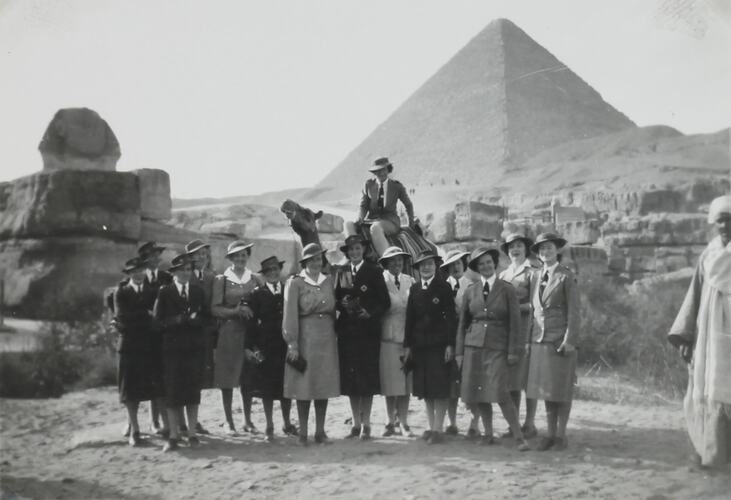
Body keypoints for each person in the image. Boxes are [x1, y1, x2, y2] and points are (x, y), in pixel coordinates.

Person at [668, 195, 731, 468]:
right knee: (706, 389)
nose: (726, 226)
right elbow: (694, 294)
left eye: (730, 220)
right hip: (708, 332)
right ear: (713, 224)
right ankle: (711, 454)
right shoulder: (710, 253)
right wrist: (686, 335)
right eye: (721, 221)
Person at [456, 248, 530, 451]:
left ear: (495, 264)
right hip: (474, 347)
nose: (486, 266)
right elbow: (463, 323)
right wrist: (459, 352)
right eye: (481, 264)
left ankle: (518, 436)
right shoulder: (471, 290)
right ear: (477, 268)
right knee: (479, 392)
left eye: (489, 262)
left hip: (498, 346)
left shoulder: (507, 289)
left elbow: (515, 322)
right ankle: (488, 433)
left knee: (500, 392)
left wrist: (513, 350)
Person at [526, 233, 580, 452]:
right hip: (540, 340)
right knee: (547, 391)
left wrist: (570, 341)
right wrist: (529, 339)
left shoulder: (566, 276)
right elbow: (533, 311)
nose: (545, 253)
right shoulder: (535, 276)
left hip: (560, 341)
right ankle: (549, 433)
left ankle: (561, 435)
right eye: (541, 250)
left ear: (556, 250)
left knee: (562, 389)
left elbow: (575, 312)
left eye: (548, 248)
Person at [283, 243, 340, 445]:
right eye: (312, 259)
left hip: (326, 338)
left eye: (319, 259)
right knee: (304, 385)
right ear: (305, 262)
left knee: (323, 384)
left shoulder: (329, 281)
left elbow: (336, 309)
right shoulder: (296, 283)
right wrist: (292, 343)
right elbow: (290, 314)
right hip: (305, 337)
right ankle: (303, 433)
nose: (316, 262)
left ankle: (320, 431)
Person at [335, 235, 390, 440]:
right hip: (348, 333)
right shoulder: (341, 271)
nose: (354, 252)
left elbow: (384, 302)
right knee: (351, 380)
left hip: (367, 333)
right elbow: (336, 299)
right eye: (351, 250)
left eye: (358, 249)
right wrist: (344, 304)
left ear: (363, 250)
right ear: (347, 252)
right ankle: (355, 423)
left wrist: (370, 312)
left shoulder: (374, 271)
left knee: (366, 379)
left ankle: (366, 423)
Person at [153, 254, 207, 452]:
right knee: (173, 392)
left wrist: (196, 321)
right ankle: (174, 435)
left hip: (193, 349)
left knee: (193, 392)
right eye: (182, 270)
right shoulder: (165, 292)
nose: (186, 273)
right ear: (174, 272)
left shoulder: (197, 291)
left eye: (188, 270)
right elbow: (157, 323)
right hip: (173, 350)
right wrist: (178, 320)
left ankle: (192, 433)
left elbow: (207, 319)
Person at [210, 240, 264, 434]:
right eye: (237, 255)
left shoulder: (255, 278)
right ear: (231, 258)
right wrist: (235, 310)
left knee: (247, 377)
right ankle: (228, 421)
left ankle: (248, 420)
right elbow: (215, 308)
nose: (241, 258)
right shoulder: (221, 280)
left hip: (249, 333)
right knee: (228, 377)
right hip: (229, 332)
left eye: (244, 254)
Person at [404, 250, 457, 444]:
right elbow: (409, 319)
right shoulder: (415, 289)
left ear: (435, 266)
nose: (426, 267)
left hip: (438, 345)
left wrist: (450, 344)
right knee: (425, 388)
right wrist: (407, 345)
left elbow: (451, 318)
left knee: (439, 387)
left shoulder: (443, 288)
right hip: (420, 346)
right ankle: (431, 425)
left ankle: (438, 429)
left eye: (430, 264)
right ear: (418, 269)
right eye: (422, 265)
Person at [113, 256, 164, 447]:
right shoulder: (121, 292)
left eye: (141, 270)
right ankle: (135, 430)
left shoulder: (153, 291)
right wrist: (145, 314)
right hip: (129, 347)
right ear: (128, 274)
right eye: (134, 271)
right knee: (130, 391)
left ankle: (155, 424)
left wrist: (141, 318)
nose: (139, 274)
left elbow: (157, 319)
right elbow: (122, 319)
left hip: (149, 346)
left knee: (152, 388)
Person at [247, 255, 298, 442]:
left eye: (276, 269)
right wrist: (249, 347)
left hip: (285, 345)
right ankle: (269, 425)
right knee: (267, 389)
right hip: (266, 346)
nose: (274, 273)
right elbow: (251, 324)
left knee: (286, 387)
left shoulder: (288, 290)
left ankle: (287, 422)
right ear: (264, 274)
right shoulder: (257, 294)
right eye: (269, 271)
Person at [499, 233, 539, 438]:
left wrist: (514, 308)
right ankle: (513, 423)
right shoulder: (503, 275)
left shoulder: (532, 273)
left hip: (525, 330)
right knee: (512, 380)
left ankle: (530, 423)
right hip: (507, 333)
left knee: (528, 380)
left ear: (525, 249)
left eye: (519, 246)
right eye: (511, 247)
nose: (515, 249)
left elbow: (536, 305)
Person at [378, 246, 415, 437]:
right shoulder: (380, 282)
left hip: (407, 338)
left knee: (405, 383)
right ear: (385, 263)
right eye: (392, 260)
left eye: (400, 260)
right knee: (390, 382)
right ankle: (389, 421)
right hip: (388, 337)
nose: (396, 263)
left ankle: (404, 422)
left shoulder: (410, 281)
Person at [344, 157, 416, 257]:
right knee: (348, 224)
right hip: (370, 220)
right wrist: (360, 218)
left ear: (388, 169)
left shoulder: (397, 186)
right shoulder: (368, 184)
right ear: (374, 172)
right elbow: (363, 205)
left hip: (390, 222)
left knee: (376, 227)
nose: (381, 173)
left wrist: (411, 223)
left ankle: (387, 259)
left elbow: (408, 204)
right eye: (378, 171)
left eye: (383, 170)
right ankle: (354, 256)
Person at [440, 249, 476, 437]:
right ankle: (451, 422)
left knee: (469, 381)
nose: (455, 267)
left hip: (468, 339)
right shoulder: (442, 286)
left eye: (458, 263)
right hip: (448, 340)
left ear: (464, 264)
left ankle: (473, 423)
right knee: (450, 384)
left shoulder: (472, 286)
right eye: (451, 265)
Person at [138, 241, 171, 435]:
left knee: (162, 377)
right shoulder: (138, 278)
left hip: (163, 334)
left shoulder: (166, 277)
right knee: (149, 378)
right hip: (144, 336)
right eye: (152, 255)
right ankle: (153, 420)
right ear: (144, 259)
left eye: (157, 255)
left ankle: (165, 419)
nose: (156, 259)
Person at [184, 239, 215, 435]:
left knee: (199, 377)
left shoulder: (211, 276)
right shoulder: (185, 276)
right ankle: (184, 423)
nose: (201, 257)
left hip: (205, 333)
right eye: (197, 254)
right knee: (185, 377)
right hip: (186, 333)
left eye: (204, 253)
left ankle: (193, 421)